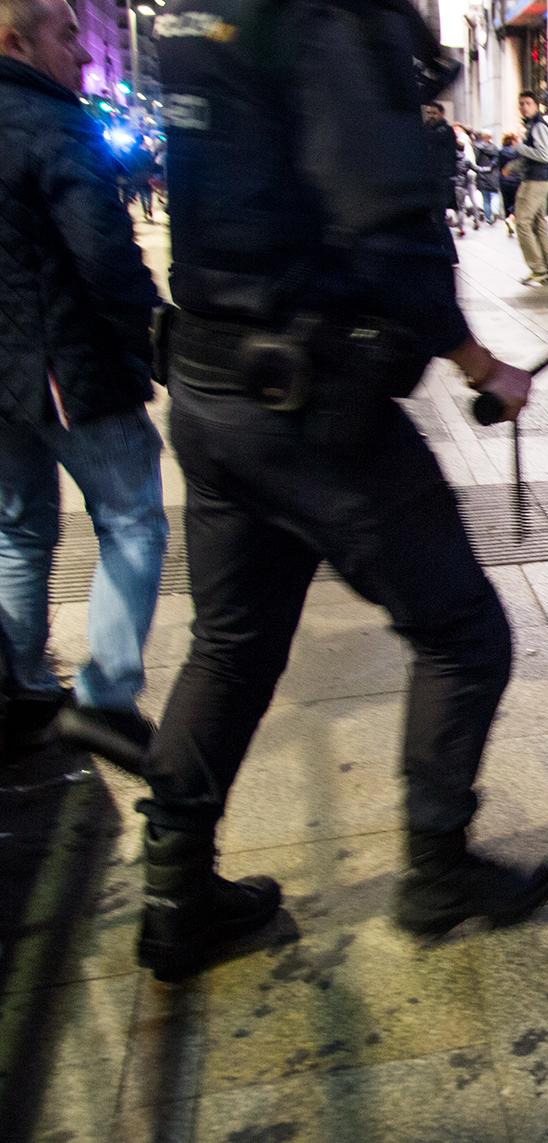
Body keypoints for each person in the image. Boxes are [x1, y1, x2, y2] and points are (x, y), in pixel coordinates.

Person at [147, 0, 548, 982]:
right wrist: (475, 362)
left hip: (209, 385)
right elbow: (378, 218)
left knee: (230, 647)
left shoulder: (198, 15)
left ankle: (173, 894)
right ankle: (437, 870)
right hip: (308, 402)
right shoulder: (326, 16)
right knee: (463, 631)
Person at [0, 0, 168, 773]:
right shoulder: (51, 121)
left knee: (19, 529)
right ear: (15, 41)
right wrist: (156, 333)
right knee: (132, 517)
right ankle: (104, 696)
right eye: (66, 36)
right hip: (63, 365)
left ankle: (24, 687)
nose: (84, 54)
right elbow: (103, 253)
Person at [514, 92, 548, 286]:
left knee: (522, 222)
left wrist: (519, 147)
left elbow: (545, 154)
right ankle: (545, 269)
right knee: (538, 224)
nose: (524, 107)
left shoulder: (538, 125)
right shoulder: (535, 125)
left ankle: (538, 268)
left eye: (528, 103)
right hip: (540, 179)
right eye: (521, 104)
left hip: (535, 181)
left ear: (536, 106)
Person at [421, 101, 464, 239]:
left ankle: (447, 251)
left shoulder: (445, 130)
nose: (430, 116)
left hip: (443, 178)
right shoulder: (428, 128)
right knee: (434, 216)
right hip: (431, 178)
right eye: (428, 113)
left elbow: (432, 139)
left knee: (438, 216)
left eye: (434, 113)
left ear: (441, 114)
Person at [472, 130, 501, 224]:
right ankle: (495, 210)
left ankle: (488, 218)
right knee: (494, 195)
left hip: (482, 173)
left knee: (485, 198)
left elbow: (475, 160)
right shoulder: (495, 148)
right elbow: (497, 161)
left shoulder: (477, 147)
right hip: (493, 174)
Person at [497, 131, 521, 235]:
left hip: (504, 180)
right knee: (517, 202)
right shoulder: (518, 151)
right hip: (517, 180)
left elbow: (500, 166)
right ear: (513, 141)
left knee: (507, 201)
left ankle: (508, 221)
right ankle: (512, 219)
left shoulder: (501, 152)